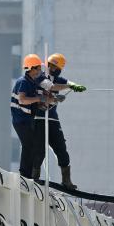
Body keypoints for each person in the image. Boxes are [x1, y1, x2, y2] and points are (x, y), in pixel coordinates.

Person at [34, 53, 86, 190]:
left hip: (52, 118)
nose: (52, 69)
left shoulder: (59, 79)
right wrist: (68, 86)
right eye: (50, 65)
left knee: (61, 149)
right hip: (38, 118)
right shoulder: (39, 76)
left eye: (55, 67)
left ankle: (66, 180)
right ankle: (34, 177)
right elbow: (51, 86)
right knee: (39, 151)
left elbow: (67, 82)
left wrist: (74, 85)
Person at [11, 55, 52, 180]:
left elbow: (35, 102)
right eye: (38, 67)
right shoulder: (23, 82)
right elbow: (23, 100)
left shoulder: (32, 82)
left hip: (28, 120)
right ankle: (24, 174)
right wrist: (40, 98)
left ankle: (30, 174)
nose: (40, 70)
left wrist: (49, 101)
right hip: (20, 121)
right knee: (29, 146)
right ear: (32, 68)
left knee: (37, 147)